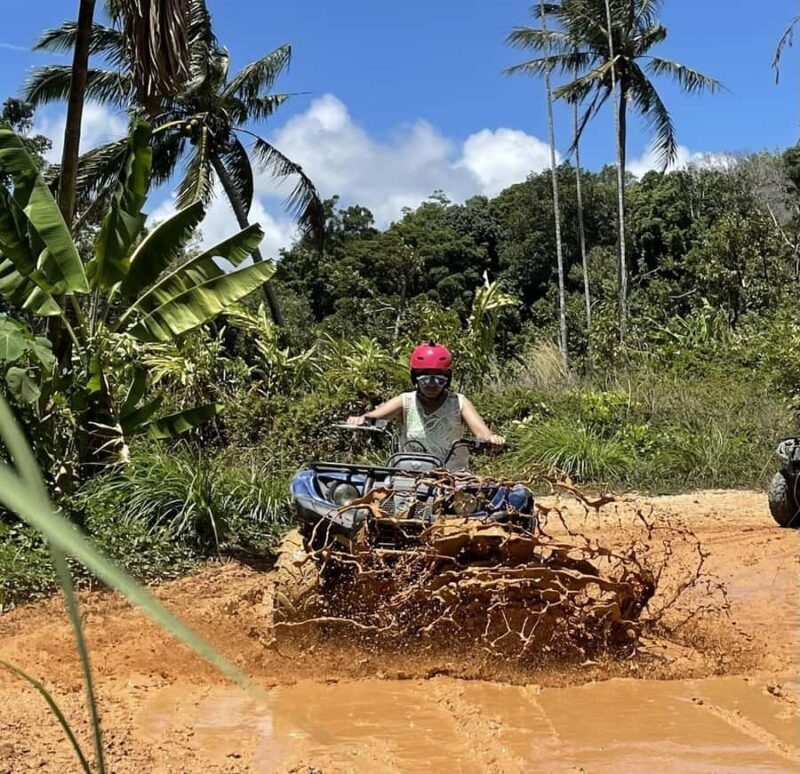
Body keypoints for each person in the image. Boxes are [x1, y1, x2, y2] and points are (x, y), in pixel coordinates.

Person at [347, 342, 506, 471]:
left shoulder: (459, 402)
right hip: (411, 472)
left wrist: (492, 440)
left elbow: (483, 433)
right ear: (415, 378)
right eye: (425, 379)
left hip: (453, 476)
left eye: (439, 380)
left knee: (471, 506)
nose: (431, 385)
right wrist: (360, 420)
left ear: (448, 379)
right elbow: (375, 416)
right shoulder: (405, 401)